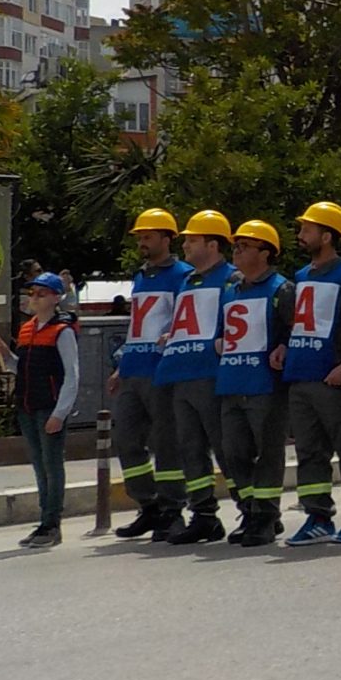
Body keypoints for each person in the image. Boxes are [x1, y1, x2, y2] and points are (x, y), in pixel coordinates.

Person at [281, 201, 341, 545]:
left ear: (327, 235)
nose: (301, 235)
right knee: (310, 452)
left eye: (307, 230)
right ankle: (318, 515)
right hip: (302, 375)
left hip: (334, 377)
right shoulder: (302, 276)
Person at [105, 208, 193, 539]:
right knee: (127, 441)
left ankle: (173, 509)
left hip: (161, 371)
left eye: (148, 236)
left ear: (167, 238)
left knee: (166, 444)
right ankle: (148, 505)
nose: (142, 242)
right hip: (133, 370)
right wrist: (120, 366)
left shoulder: (182, 275)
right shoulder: (141, 276)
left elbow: (183, 321)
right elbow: (137, 326)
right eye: (140, 237)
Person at [154, 209, 237, 545]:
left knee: (225, 448)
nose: (185, 244)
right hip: (181, 374)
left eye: (192, 239)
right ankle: (203, 514)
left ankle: (253, 511)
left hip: (211, 375)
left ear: (213, 245)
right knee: (191, 449)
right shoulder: (188, 280)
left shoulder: (231, 279)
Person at [0, 272, 79, 548]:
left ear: (55, 298)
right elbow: (21, 367)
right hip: (27, 405)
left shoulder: (62, 332)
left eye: (40, 294)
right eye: (32, 294)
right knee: (40, 466)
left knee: (52, 466)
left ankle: (52, 523)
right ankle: (44, 520)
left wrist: (59, 413)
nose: (34, 298)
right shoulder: (27, 329)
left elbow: (72, 375)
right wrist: (6, 354)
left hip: (48, 407)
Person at [216, 220, 292, 546]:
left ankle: (266, 515)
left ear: (265, 252)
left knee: (268, 454)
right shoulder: (230, 288)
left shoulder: (281, 289)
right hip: (232, 383)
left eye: (244, 246)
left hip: (265, 386)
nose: (236, 251)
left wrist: (284, 345)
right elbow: (222, 330)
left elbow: (294, 329)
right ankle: (250, 509)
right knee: (234, 453)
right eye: (236, 246)